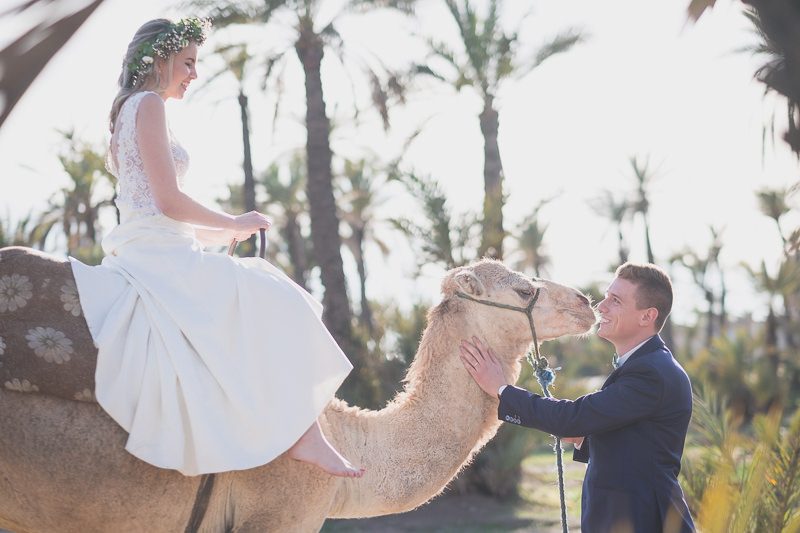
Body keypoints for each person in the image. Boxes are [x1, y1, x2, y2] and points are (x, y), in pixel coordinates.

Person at [69, 17, 364, 478]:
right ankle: (305, 436)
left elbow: (154, 211)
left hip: (152, 244)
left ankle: (296, 431)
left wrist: (223, 235)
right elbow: (168, 201)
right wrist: (233, 221)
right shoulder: (148, 105)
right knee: (273, 293)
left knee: (255, 293)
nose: (194, 74)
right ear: (161, 59)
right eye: (187, 63)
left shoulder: (129, 109)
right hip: (157, 257)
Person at [459, 263, 695, 532]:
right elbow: (642, 448)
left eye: (615, 301)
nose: (601, 306)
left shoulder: (651, 372)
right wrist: (588, 438)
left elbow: (572, 418)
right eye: (607, 296)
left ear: (647, 316)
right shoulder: (647, 366)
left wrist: (501, 388)